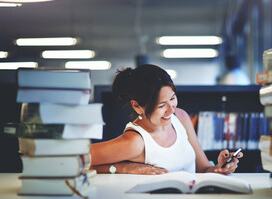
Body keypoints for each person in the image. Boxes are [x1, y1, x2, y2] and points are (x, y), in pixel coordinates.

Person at [91, 64, 243, 175]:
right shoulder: (135, 142)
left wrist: (221, 168)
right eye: (161, 105)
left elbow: (204, 170)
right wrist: (121, 168)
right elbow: (74, 161)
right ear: (137, 106)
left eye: (173, 98)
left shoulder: (181, 117)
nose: (171, 109)